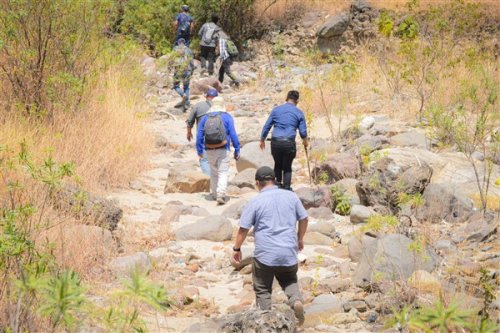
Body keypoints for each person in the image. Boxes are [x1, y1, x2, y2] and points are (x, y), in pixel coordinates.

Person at [232, 166, 308, 326]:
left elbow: (243, 228)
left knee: (263, 289)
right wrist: (300, 239)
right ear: (274, 180)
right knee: (290, 281)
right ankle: (295, 302)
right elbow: (304, 218)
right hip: (288, 252)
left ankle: (265, 321)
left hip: (265, 255)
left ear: (257, 183)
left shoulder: (255, 201)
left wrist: (237, 248)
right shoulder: (291, 196)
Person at [260, 90, 308, 190]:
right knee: (287, 167)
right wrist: (305, 141)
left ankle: (277, 186)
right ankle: (286, 188)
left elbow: (267, 126)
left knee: (277, 164)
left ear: (286, 98)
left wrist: (262, 139)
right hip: (289, 143)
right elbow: (303, 132)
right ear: (297, 101)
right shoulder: (299, 113)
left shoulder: (276, 110)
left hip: (276, 142)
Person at [196, 96, 240, 205]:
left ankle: (215, 194)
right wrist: (237, 148)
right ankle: (221, 194)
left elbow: (199, 136)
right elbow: (233, 134)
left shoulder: (204, 118)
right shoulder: (227, 117)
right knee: (223, 172)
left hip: (209, 149)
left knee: (214, 172)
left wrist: (199, 151)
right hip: (223, 149)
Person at [186, 88, 219, 175]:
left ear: (206, 96)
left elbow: (190, 121)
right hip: (218, 137)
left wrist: (189, 132)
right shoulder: (220, 107)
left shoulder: (198, 106)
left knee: (204, 160)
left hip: (204, 137)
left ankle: (209, 179)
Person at [172, 38, 194, 111]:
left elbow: (171, 60)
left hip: (178, 70)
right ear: (185, 43)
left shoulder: (175, 49)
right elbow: (191, 62)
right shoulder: (188, 50)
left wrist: (169, 69)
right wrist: (192, 71)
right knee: (186, 87)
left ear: (178, 43)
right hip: (187, 70)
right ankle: (187, 103)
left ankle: (183, 95)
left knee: (175, 86)